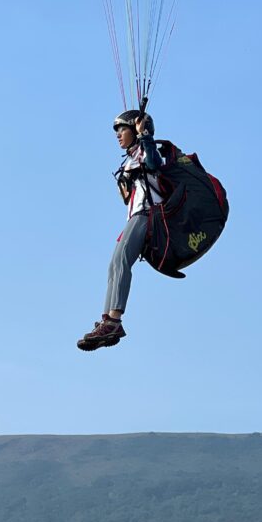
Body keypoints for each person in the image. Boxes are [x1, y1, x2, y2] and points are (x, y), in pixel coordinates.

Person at [77, 110, 163, 352]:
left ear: (135, 132)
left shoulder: (148, 150)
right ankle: (108, 321)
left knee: (122, 261)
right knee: (114, 264)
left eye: (122, 129)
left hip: (148, 215)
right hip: (136, 216)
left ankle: (114, 321)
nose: (118, 135)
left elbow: (155, 164)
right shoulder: (129, 160)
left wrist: (144, 135)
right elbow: (126, 197)